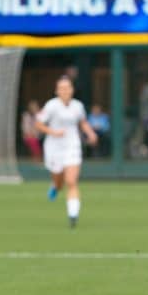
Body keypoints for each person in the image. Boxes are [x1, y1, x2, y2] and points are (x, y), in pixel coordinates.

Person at [35, 76, 98, 228]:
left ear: (72, 90)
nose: (65, 91)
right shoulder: (51, 106)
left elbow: (82, 122)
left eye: (67, 87)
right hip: (54, 147)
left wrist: (91, 134)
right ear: (57, 91)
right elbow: (38, 124)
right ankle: (55, 187)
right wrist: (53, 132)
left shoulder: (78, 106)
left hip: (72, 146)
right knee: (59, 182)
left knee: (71, 181)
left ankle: (73, 216)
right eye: (61, 88)